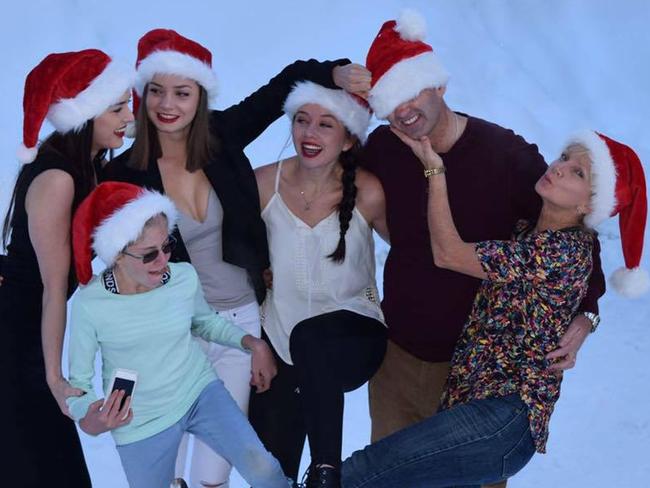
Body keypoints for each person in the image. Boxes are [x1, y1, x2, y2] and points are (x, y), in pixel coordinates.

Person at [101, 29, 365, 488]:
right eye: (157, 91)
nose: (168, 104)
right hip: (170, 333)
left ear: (199, 97)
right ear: (141, 96)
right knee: (161, 467)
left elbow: (283, 84)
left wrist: (334, 72)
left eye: (182, 93)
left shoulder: (223, 136)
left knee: (214, 470)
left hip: (240, 324)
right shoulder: (122, 175)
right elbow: (92, 262)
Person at [354, 12, 607, 488]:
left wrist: (587, 316)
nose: (404, 111)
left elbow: (574, 244)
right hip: (399, 358)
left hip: (478, 377)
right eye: (391, 102)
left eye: (413, 93)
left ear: (439, 87)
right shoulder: (386, 148)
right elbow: (327, 175)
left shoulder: (507, 158)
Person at [339, 129, 648, 487]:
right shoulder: (525, 232)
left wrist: (434, 171)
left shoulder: (561, 253)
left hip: (503, 416)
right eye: (565, 158)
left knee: (369, 468)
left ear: (588, 207)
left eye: (578, 172)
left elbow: (449, 254)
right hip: (470, 403)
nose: (560, 168)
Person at [67, 181, 289, 488]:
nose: (163, 260)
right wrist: (91, 420)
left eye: (167, 246)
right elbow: (78, 384)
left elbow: (204, 323)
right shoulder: (90, 304)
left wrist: (252, 343)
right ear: (118, 254)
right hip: (140, 422)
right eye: (149, 255)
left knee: (264, 470)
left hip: (199, 392)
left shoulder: (182, 277)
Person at [0, 49, 134, 487]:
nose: (126, 117)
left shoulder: (91, 164)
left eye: (126, 105)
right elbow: (53, 288)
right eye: (115, 108)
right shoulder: (59, 178)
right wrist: (54, 378)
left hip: (29, 325)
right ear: (84, 115)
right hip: (16, 329)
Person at [250, 81, 388, 488]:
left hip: (354, 335)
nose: (310, 134)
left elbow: (418, 251)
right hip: (279, 340)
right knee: (272, 476)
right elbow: (229, 252)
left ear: (348, 140)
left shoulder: (369, 191)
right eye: (301, 121)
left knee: (312, 338)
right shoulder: (262, 184)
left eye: (326, 124)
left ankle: (327, 473)